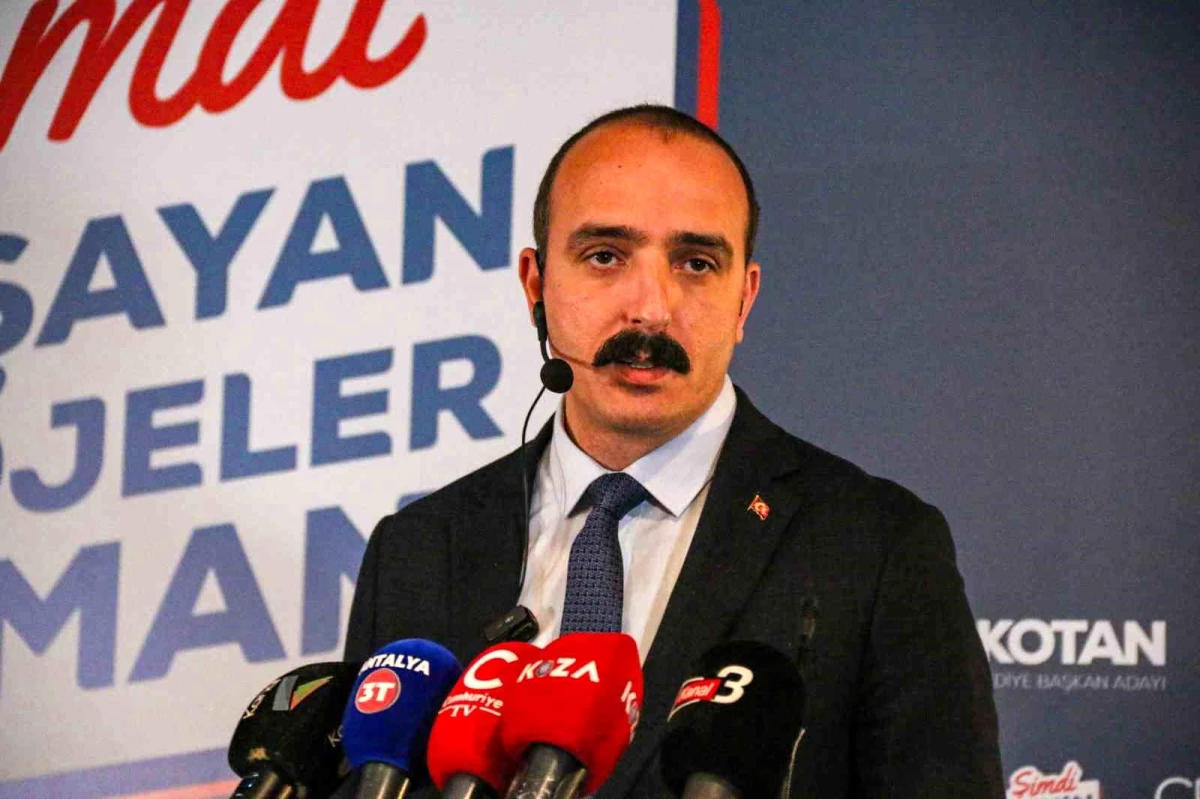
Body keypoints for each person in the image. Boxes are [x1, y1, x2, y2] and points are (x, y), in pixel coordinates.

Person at [342, 105, 1003, 798]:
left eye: (696, 263)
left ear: (744, 299)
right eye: (605, 256)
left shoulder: (875, 546)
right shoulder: (416, 550)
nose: (652, 309)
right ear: (536, 285)